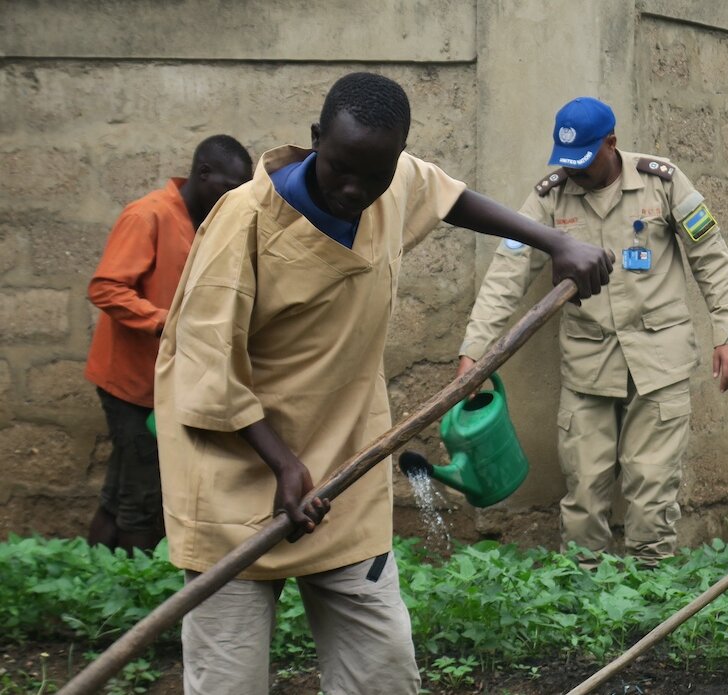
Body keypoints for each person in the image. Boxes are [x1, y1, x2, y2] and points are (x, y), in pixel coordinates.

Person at [153, 73, 611, 695]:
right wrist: (283, 465)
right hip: (238, 476)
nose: (355, 190)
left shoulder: (388, 181)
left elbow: (451, 198)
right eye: (341, 168)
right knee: (227, 680)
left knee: (382, 674)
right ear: (317, 140)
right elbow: (205, 367)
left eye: (375, 174)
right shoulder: (243, 225)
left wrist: (555, 240)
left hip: (344, 469)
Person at [456, 97, 728, 568]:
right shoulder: (551, 196)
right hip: (589, 364)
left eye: (585, 162)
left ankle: (651, 602)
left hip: (659, 363)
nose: (575, 174)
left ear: (611, 143)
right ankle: (584, 602)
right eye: (566, 163)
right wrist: (474, 351)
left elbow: (710, 256)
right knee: (584, 491)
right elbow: (508, 272)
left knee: (652, 490)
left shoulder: (662, 181)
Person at [84, 135, 252, 553]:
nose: (234, 197)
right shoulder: (148, 215)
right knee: (144, 499)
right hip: (130, 384)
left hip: (164, 385)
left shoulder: (209, 223)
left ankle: (94, 586)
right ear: (203, 174)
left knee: (118, 492)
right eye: (228, 187)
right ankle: (144, 601)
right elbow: (106, 288)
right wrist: (163, 323)